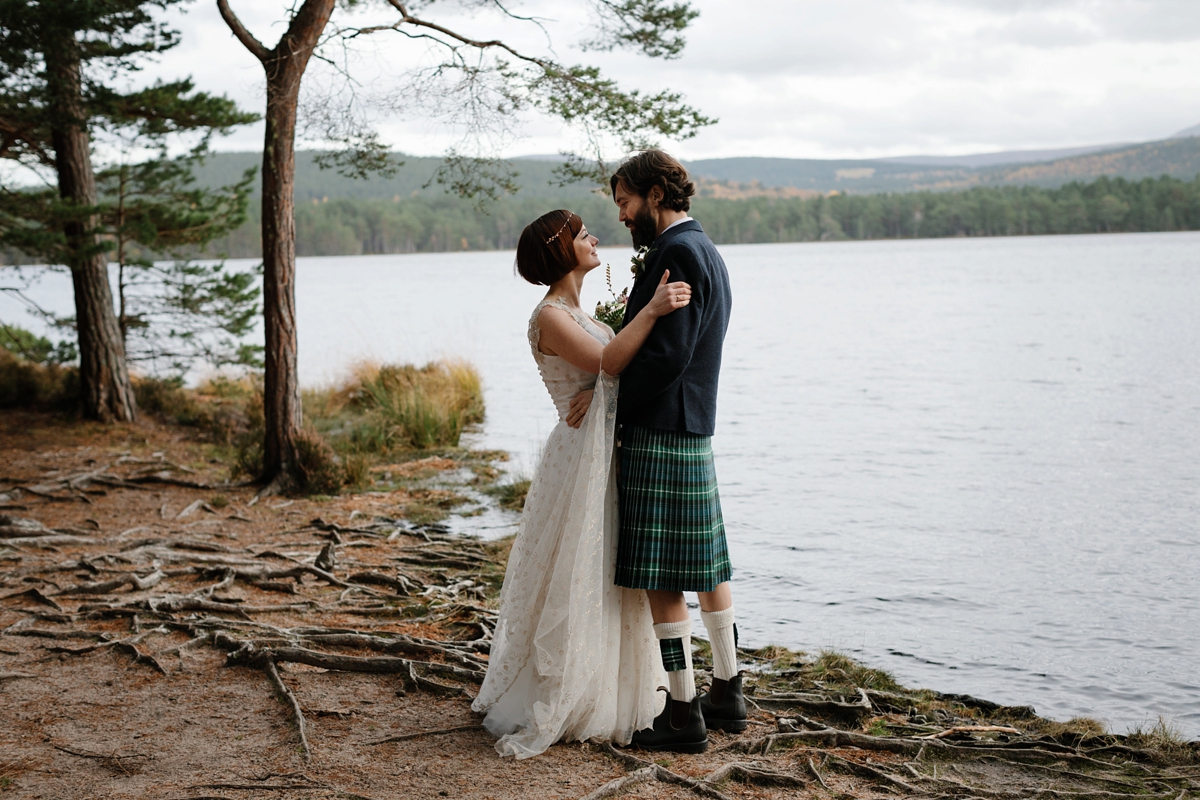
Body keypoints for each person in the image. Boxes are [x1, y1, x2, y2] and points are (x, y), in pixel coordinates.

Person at [471, 209, 695, 758]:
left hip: (605, 451)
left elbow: (603, 377)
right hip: (580, 458)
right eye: (581, 234)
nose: (594, 238)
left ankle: (623, 690)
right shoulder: (549, 315)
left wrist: (599, 392)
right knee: (580, 568)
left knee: (611, 569)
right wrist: (651, 309)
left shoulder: (578, 310)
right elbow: (606, 361)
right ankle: (572, 690)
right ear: (559, 249)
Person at [610, 150, 742, 753]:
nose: (622, 215)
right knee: (706, 563)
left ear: (655, 193)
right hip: (691, 425)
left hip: (661, 425)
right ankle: (728, 691)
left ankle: (684, 710)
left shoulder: (677, 252)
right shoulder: (706, 247)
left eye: (625, 202)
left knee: (663, 569)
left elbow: (667, 354)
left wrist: (614, 403)